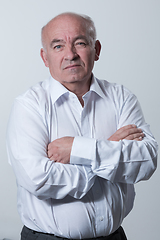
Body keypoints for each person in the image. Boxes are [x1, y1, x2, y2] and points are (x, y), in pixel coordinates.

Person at [6, 12, 158, 240]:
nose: (70, 55)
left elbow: (146, 160)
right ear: (45, 57)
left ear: (96, 49)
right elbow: (38, 178)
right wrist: (109, 149)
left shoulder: (121, 98)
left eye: (80, 43)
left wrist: (77, 150)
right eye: (58, 46)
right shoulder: (29, 106)